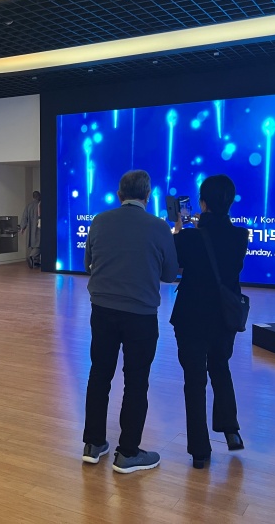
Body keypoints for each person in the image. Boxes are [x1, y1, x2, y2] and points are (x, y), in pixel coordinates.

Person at [82, 170, 178, 474]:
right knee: (136, 381)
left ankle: (93, 444)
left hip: (102, 310)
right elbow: (170, 274)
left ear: (119, 194)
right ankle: (128, 453)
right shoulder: (158, 226)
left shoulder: (100, 221)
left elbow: (87, 264)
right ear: (148, 195)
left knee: (99, 374)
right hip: (141, 315)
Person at [170, 174, 249, 469]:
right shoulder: (240, 236)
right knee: (220, 367)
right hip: (224, 317)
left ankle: (200, 451)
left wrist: (179, 229)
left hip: (191, 316)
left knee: (194, 380)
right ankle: (231, 431)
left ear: (202, 204)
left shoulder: (189, 237)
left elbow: (176, 265)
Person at [20, 191, 41, 268]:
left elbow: (24, 217)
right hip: (38, 228)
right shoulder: (40, 205)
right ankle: (32, 256)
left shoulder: (28, 206)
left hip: (30, 228)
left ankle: (36, 262)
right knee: (39, 244)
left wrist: (22, 227)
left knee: (33, 244)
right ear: (39, 196)